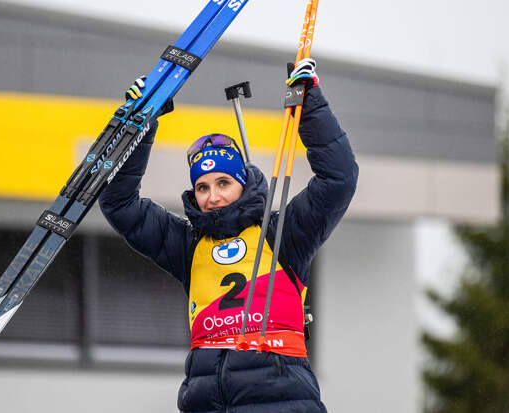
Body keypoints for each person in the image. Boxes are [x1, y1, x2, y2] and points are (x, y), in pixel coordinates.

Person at [99, 58, 358, 412]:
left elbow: (339, 179)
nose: (213, 196)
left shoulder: (282, 234)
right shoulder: (188, 246)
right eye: (202, 187)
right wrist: (138, 124)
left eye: (223, 183)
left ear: (243, 182)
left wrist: (310, 102)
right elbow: (119, 203)